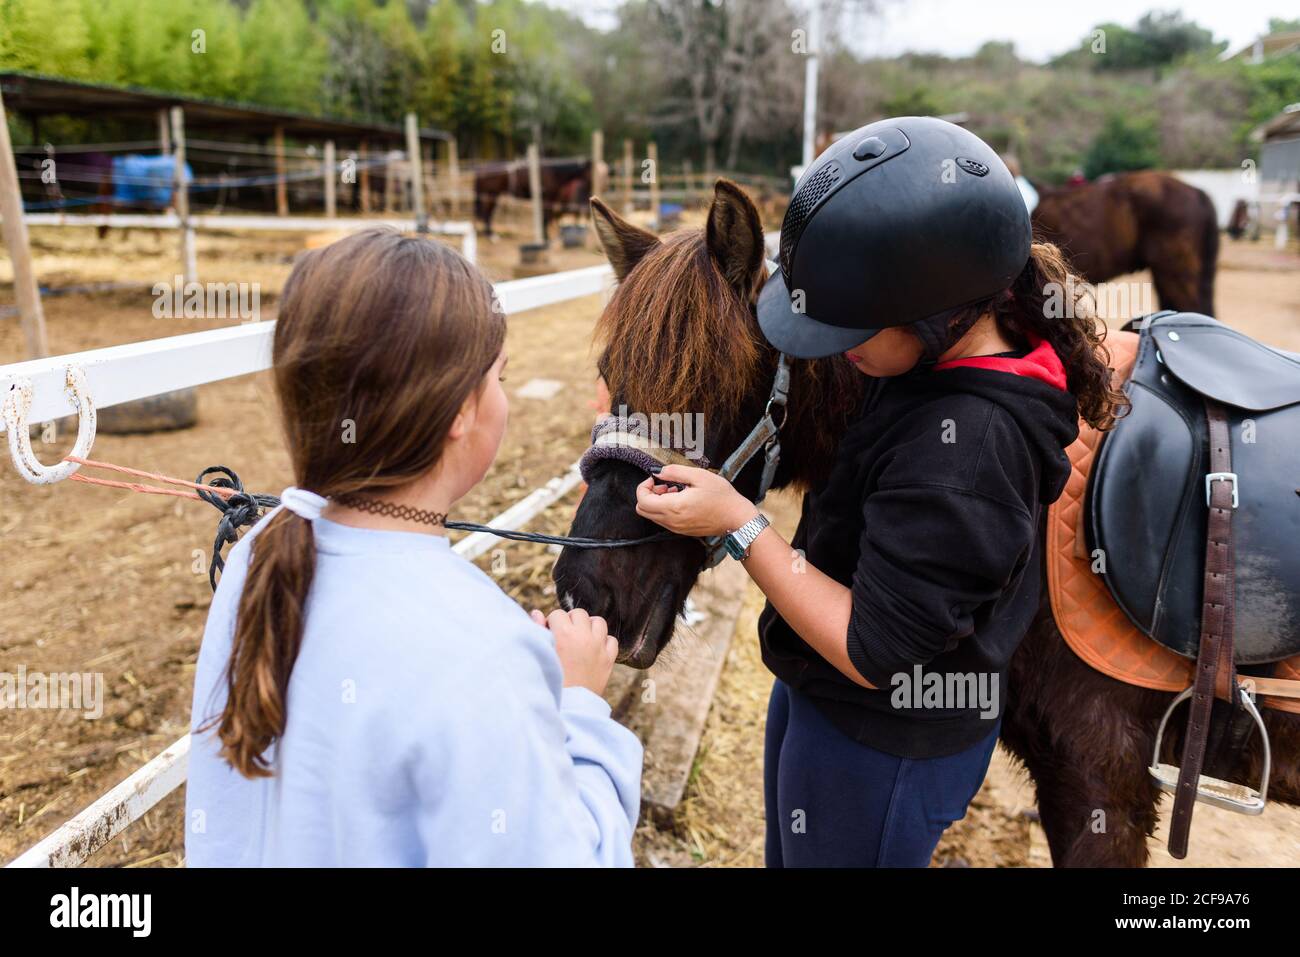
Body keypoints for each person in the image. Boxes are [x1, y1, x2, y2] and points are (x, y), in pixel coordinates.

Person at [632, 117, 1126, 867]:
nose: (834, 348)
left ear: (937, 307)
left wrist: (739, 524)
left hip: (880, 741)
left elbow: (876, 648)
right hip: (826, 695)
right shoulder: (935, 362)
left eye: (850, 325)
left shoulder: (968, 446)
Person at [185, 229, 641, 867]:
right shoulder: (483, 648)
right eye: (499, 378)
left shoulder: (262, 554)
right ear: (459, 410)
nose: (504, 399)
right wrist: (582, 708)